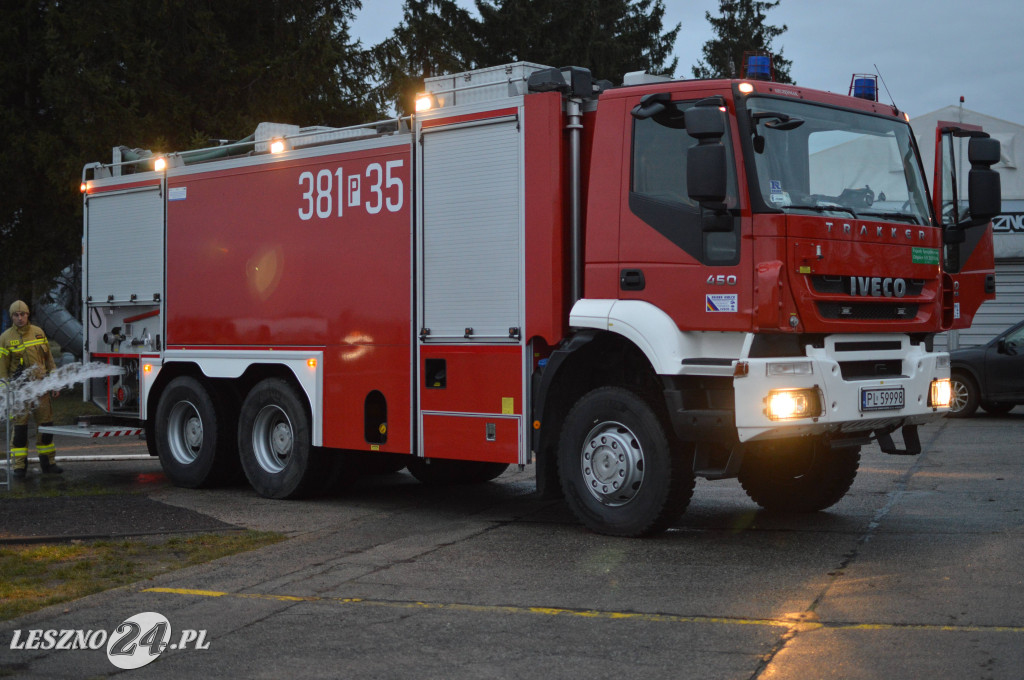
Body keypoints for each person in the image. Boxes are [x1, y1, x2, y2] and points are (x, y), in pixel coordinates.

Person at [0, 300, 62, 478]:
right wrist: (4, 390)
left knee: (46, 427)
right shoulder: (5, 338)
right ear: (12, 317)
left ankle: (48, 463)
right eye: (16, 315)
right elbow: (2, 368)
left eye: (23, 314)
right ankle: (19, 468)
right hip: (19, 393)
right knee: (19, 430)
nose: (20, 318)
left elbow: (49, 360)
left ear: (28, 314)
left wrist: (55, 382)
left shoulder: (38, 333)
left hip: (41, 390)